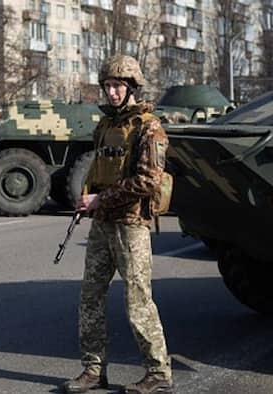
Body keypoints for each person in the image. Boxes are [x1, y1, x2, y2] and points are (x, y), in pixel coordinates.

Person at [63, 55, 173, 394]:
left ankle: (158, 373)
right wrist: (88, 199)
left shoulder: (148, 127)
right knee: (90, 296)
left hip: (131, 224)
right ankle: (93, 370)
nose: (111, 92)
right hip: (104, 223)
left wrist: (100, 200)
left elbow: (149, 181)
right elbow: (99, 170)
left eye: (117, 86)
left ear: (131, 88)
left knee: (138, 301)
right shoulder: (106, 126)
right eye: (108, 85)